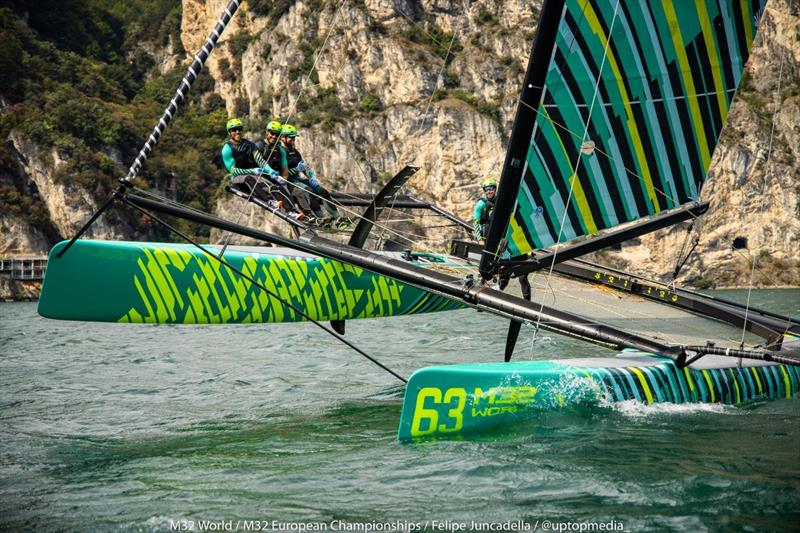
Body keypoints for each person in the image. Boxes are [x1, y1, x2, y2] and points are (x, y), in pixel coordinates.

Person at [220, 118, 298, 216]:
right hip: (238, 179)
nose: (237, 132)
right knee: (248, 178)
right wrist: (252, 171)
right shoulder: (227, 149)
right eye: (234, 130)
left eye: (239, 129)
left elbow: (260, 161)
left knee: (275, 186)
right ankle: (269, 201)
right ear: (229, 132)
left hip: (254, 175)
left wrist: (270, 171)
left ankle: (291, 211)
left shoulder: (250, 145)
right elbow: (232, 170)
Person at [280, 124, 348, 228]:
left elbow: (305, 167)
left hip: (297, 179)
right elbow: (282, 174)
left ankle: (337, 218)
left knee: (322, 191)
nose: (293, 140)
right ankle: (321, 218)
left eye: (294, 137)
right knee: (307, 190)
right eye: (291, 137)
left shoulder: (295, 152)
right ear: (282, 137)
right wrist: (296, 170)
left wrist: (312, 177)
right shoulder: (279, 152)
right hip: (288, 182)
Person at [473, 177, 530, 300]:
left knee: (522, 276)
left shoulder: (501, 201)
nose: (489, 191)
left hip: (504, 240)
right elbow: (476, 223)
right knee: (486, 269)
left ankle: (527, 302)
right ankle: (479, 292)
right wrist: (480, 239)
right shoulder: (481, 204)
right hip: (488, 240)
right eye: (487, 189)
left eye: (491, 189)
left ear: (495, 189)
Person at [256, 120, 316, 221]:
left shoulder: (281, 150)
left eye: (277, 134)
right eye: (272, 133)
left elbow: (285, 168)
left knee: (306, 190)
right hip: (263, 176)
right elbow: (260, 161)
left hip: (278, 177)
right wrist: (269, 171)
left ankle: (314, 216)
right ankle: (295, 213)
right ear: (267, 132)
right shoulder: (259, 146)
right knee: (287, 191)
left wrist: (284, 180)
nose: (274, 136)